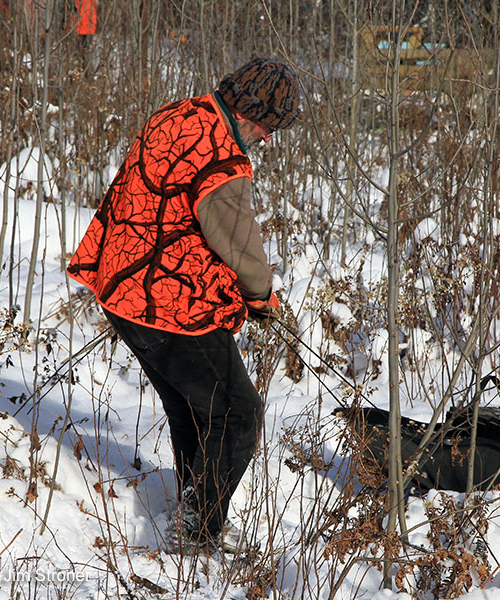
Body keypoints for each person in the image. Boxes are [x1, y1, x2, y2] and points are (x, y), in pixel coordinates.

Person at [67, 57, 300, 554]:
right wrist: (260, 296)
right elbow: (239, 243)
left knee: (197, 407)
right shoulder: (222, 160)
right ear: (245, 110)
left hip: (121, 288)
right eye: (266, 124)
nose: (267, 136)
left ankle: (193, 515)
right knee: (238, 413)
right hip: (166, 305)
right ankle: (197, 535)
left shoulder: (176, 115)